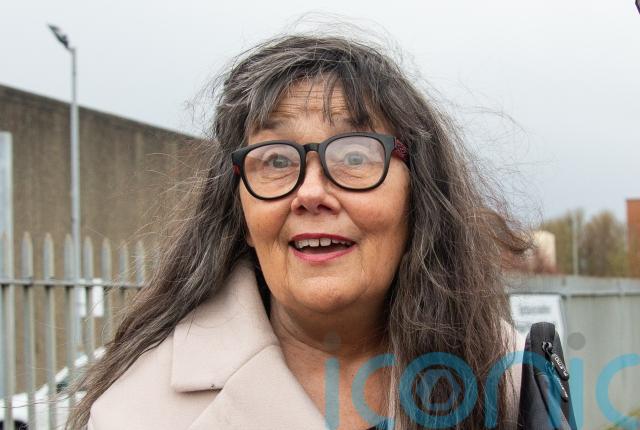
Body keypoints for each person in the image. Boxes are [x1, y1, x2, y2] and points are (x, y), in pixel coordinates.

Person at [68, 33, 529, 430]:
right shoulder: (136, 410)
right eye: (275, 160)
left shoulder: (515, 382)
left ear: (418, 197)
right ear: (241, 216)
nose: (310, 193)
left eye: (354, 156)